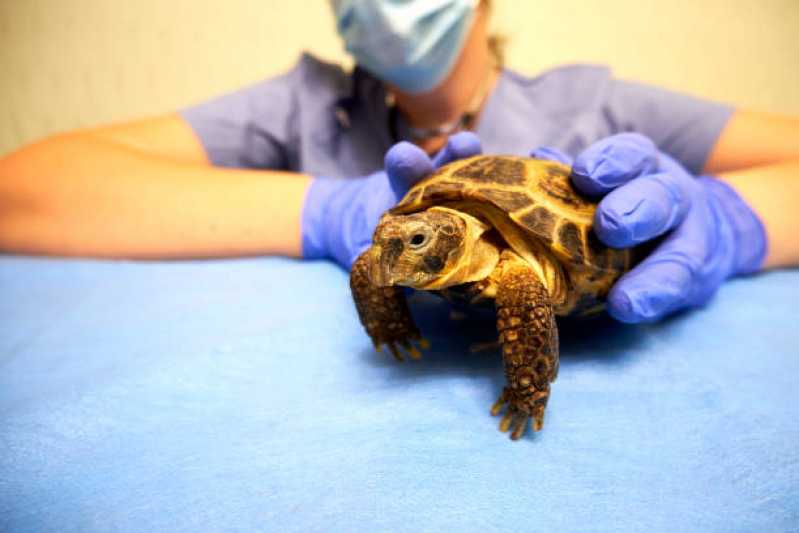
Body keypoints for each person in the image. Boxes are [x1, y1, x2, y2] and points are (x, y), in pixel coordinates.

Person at [0, 0, 797, 324]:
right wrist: (326, 211)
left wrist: (731, 218)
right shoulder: (306, 106)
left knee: (521, 288)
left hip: (569, 265)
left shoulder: (594, 106)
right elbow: (22, 191)